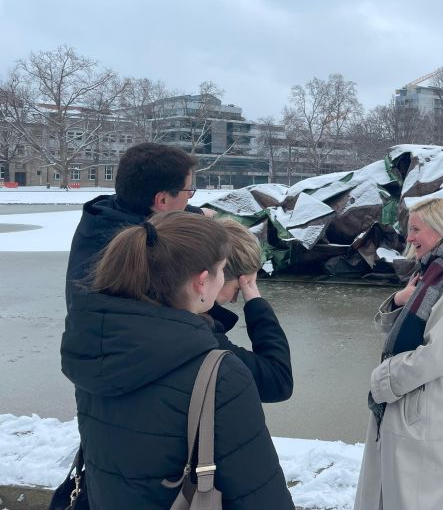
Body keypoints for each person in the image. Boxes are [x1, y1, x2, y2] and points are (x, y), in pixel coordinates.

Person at [60, 211, 294, 509]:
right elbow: (262, 496)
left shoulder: (94, 346)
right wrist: (255, 301)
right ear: (202, 280)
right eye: (222, 270)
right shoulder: (217, 373)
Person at [353, 197, 443, 510]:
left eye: (415, 229)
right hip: (407, 403)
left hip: (427, 409)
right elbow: (397, 333)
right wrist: (399, 300)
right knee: (389, 496)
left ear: (440, 230)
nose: (408, 237)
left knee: (416, 500)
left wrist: (382, 379)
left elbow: (438, 354)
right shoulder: (432, 275)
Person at [65, 142, 208, 308]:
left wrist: (198, 213)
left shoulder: (105, 215)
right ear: (162, 199)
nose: (190, 195)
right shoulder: (143, 248)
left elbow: (161, 211)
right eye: (188, 190)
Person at [212, 218, 294, 403]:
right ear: (215, 276)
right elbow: (278, 381)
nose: (234, 300)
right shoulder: (202, 338)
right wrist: (255, 301)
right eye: (237, 289)